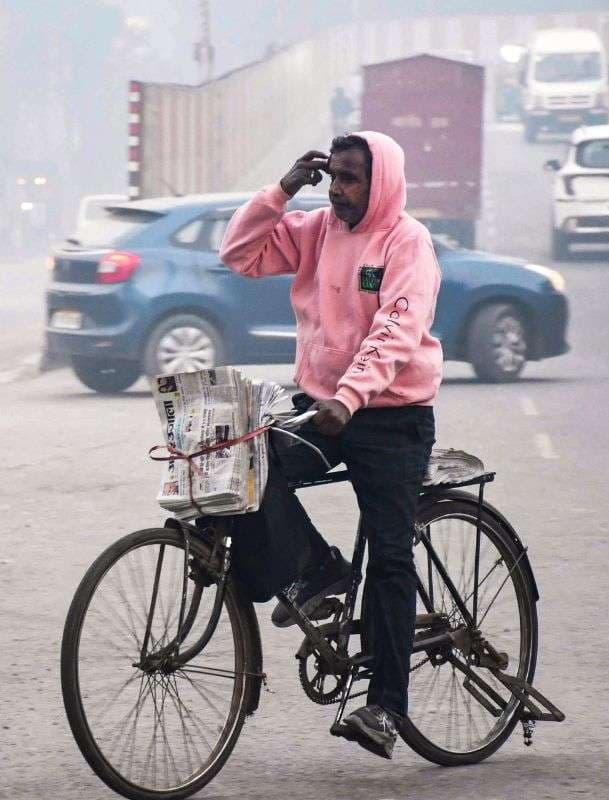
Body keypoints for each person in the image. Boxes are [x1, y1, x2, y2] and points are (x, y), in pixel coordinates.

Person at [218, 132, 442, 758]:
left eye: (350, 179)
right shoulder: (316, 228)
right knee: (249, 467)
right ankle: (320, 571)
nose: (338, 189)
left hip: (391, 416)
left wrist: (352, 396)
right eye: (333, 176)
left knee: (393, 558)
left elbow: (397, 328)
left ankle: (387, 709)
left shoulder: (407, 242)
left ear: (382, 184)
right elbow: (239, 253)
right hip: (324, 408)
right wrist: (284, 187)